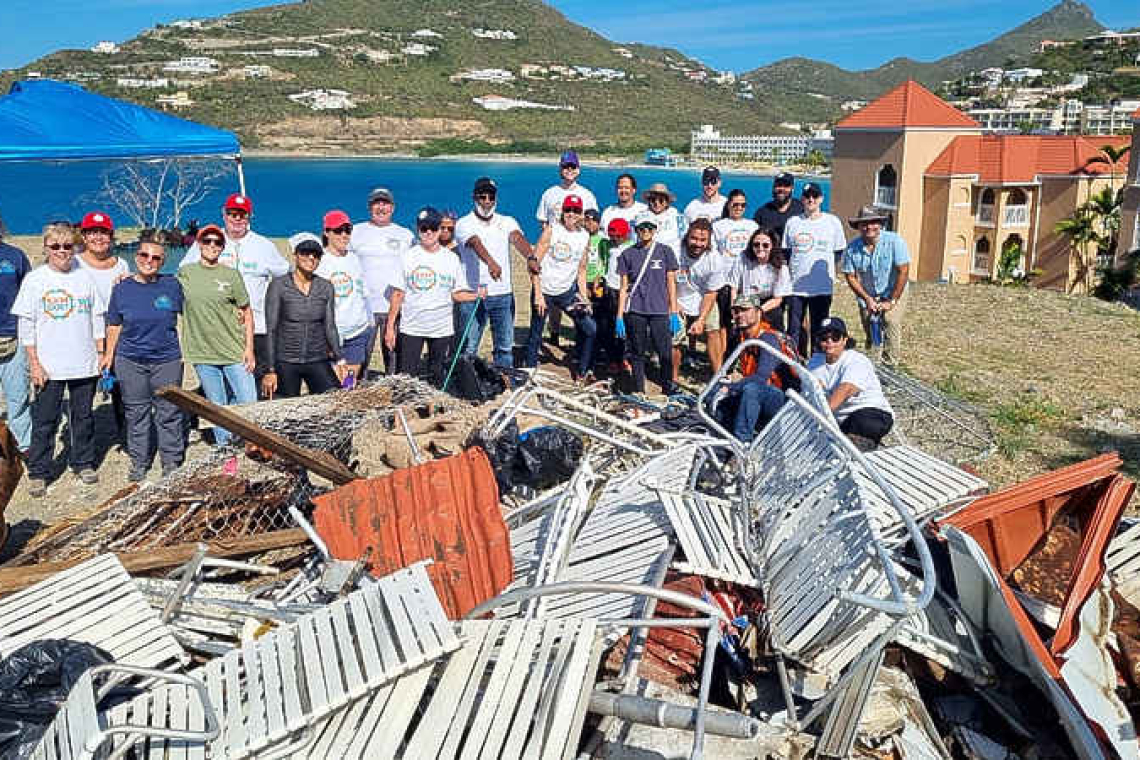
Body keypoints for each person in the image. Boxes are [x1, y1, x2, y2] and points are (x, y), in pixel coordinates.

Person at [13, 222, 106, 496]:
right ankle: (39, 471)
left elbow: (96, 317)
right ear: (46, 247)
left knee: (84, 418)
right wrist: (34, 363)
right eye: (55, 246)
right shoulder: (35, 280)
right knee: (45, 420)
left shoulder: (84, 277)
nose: (62, 251)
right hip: (49, 367)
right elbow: (26, 326)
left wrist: (100, 353)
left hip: (84, 362)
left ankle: (83, 462)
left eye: (67, 246)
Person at [179, 194, 289, 393]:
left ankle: (248, 422)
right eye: (232, 213)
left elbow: (285, 274)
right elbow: (183, 276)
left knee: (254, 386)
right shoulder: (209, 241)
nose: (237, 219)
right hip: (218, 329)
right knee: (219, 386)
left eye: (242, 214)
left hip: (256, 328)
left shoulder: (264, 246)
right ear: (224, 214)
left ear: (249, 217)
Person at [102, 234, 185, 481]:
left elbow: (198, 308)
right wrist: (108, 355)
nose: (149, 260)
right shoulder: (121, 288)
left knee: (168, 411)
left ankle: (171, 461)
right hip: (130, 360)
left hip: (166, 359)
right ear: (136, 257)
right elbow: (114, 324)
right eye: (144, 255)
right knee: (136, 412)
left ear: (162, 262)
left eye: (156, 257)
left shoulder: (172, 285)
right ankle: (139, 461)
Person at [178, 224, 257, 446]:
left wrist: (249, 349)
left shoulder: (231, 275)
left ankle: (253, 446)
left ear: (223, 247)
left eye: (217, 242)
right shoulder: (186, 273)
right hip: (203, 354)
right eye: (207, 241)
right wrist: (126, 277)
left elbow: (247, 312)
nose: (212, 245)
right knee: (217, 407)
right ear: (199, 244)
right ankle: (226, 454)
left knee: (249, 403)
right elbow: (159, 286)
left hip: (234, 351)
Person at [386, 207, 482, 386]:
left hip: (442, 329)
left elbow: (457, 294)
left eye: (433, 227)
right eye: (423, 228)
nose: (428, 232)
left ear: (439, 230)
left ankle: (434, 411)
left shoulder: (451, 259)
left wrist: (476, 295)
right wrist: (390, 327)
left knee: (437, 375)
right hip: (412, 328)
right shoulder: (407, 257)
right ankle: (403, 412)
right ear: (418, 229)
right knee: (406, 377)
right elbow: (398, 293)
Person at [455, 177, 535, 369]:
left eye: (491, 196)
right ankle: (465, 381)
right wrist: (490, 262)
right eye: (483, 196)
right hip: (473, 294)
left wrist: (530, 257)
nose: (487, 201)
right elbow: (474, 242)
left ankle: (503, 380)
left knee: (504, 346)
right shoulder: (464, 223)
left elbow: (517, 238)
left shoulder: (506, 221)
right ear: (474, 197)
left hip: (503, 294)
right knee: (469, 346)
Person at [523, 195, 597, 381]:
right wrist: (538, 294)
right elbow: (533, 264)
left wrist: (584, 297)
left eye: (576, 211)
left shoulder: (584, 236)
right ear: (562, 212)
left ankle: (581, 371)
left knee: (590, 328)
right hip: (545, 290)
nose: (571, 214)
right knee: (536, 332)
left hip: (567, 293)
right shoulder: (552, 230)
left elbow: (581, 270)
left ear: (581, 214)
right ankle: (530, 370)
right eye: (568, 210)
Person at [262, 234, 344, 398]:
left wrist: (340, 360)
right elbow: (271, 329)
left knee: (334, 401)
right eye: (305, 253)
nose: (311, 258)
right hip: (286, 360)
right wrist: (270, 370)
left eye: (316, 255)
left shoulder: (326, 287)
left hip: (317, 358)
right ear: (296, 255)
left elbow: (330, 326)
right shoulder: (279, 286)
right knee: (286, 411)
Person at [350, 187, 414, 376]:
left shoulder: (405, 235)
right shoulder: (355, 231)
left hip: (393, 308)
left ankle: (394, 397)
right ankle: (350, 393)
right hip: (364, 308)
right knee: (358, 359)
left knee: (394, 360)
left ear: (392, 207)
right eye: (376, 203)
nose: (381, 207)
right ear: (370, 207)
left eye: (385, 203)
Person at [713, 294, 795, 443]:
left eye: (745, 310)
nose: (740, 315)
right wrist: (725, 384)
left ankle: (743, 443)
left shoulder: (768, 338)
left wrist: (731, 388)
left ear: (758, 312)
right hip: (757, 396)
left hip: (782, 401)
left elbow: (761, 378)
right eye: (736, 311)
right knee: (714, 390)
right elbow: (730, 369)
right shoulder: (741, 337)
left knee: (752, 389)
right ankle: (721, 441)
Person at [75, 211, 129, 434]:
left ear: (111, 236)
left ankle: (127, 437)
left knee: (123, 390)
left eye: (103, 232)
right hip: (83, 337)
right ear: (84, 236)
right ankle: (83, 450)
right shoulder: (74, 264)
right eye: (92, 232)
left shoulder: (121, 265)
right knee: (83, 395)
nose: (98, 237)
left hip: (117, 336)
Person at [617, 213, 680, 396]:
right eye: (642, 228)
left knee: (665, 353)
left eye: (649, 228)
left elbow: (671, 283)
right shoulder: (627, 254)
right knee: (637, 352)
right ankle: (639, 390)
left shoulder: (665, 251)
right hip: (636, 309)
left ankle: (668, 389)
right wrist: (619, 316)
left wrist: (674, 311)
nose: (645, 231)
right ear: (636, 230)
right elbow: (623, 288)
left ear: (655, 230)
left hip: (660, 310)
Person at [782, 182, 847, 356]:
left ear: (821, 199)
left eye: (815, 196)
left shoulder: (832, 222)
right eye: (807, 196)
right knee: (794, 329)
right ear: (802, 199)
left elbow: (838, 252)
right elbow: (787, 252)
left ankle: (817, 362)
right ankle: (793, 364)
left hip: (822, 287)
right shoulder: (793, 222)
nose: (811, 199)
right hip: (796, 287)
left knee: (820, 328)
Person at [809, 316, 894, 447]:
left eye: (835, 337)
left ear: (845, 340)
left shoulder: (856, 360)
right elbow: (814, 388)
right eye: (824, 338)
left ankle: (857, 450)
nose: (830, 342)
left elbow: (846, 389)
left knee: (861, 423)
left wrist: (819, 415)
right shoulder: (815, 361)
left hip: (872, 412)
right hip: (842, 420)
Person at [841, 206, 910, 366]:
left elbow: (903, 270)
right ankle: (873, 363)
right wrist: (867, 299)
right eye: (864, 223)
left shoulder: (894, 241)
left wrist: (891, 301)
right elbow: (850, 276)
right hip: (868, 293)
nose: (869, 227)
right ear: (858, 226)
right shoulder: (852, 248)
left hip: (894, 290)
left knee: (890, 321)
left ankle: (891, 365)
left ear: (880, 224)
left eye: (873, 222)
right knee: (870, 325)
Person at [315, 210, 372, 385]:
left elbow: (362, 292)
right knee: (332, 383)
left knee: (349, 383)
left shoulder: (354, 259)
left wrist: (369, 320)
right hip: (331, 334)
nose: (344, 235)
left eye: (347, 230)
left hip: (357, 331)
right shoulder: (319, 261)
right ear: (327, 232)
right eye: (338, 230)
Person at [0, 213, 32, 454]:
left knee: (18, 396)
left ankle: (23, 448)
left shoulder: (15, 256)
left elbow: (29, 293)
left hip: (14, 335)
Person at [680, 219, 729, 374]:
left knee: (713, 329)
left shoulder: (714, 260)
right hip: (678, 297)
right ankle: (671, 378)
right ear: (687, 236)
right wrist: (673, 305)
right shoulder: (675, 250)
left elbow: (711, 292)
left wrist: (701, 319)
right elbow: (665, 281)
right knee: (674, 334)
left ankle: (718, 375)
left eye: (703, 240)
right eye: (694, 238)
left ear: (709, 241)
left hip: (704, 297)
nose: (698, 243)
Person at [731, 227, 791, 331]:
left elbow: (777, 299)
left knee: (775, 317)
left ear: (772, 246)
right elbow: (734, 288)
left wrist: (758, 311)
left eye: (765, 245)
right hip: (745, 301)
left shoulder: (781, 267)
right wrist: (735, 310)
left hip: (768, 303)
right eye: (756, 244)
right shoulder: (742, 258)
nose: (760, 248)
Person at [600, 218, 634, 372]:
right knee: (609, 326)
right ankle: (612, 358)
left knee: (626, 327)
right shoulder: (609, 247)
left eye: (618, 236)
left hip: (626, 290)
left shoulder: (632, 247)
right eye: (612, 236)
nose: (615, 239)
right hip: (610, 288)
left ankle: (625, 358)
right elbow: (604, 263)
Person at [535, 150, 598, 228]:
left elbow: (594, 223)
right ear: (560, 169)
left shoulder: (588, 195)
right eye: (566, 167)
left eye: (573, 166)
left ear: (578, 170)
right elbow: (543, 221)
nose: (569, 169)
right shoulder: (549, 193)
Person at [753, 172, 803, 245]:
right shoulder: (762, 213)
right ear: (773, 187)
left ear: (792, 188)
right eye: (778, 185)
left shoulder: (801, 209)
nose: (781, 189)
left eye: (786, 186)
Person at [641, 182, 687, 255]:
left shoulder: (678, 218)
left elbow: (685, 240)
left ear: (667, 202)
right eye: (653, 200)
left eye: (661, 200)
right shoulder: (640, 218)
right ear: (649, 201)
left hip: (671, 262)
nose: (657, 203)